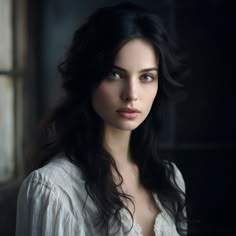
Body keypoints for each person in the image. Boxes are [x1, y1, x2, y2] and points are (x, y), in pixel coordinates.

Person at [16, 2, 187, 236]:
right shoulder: (52, 189)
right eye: (115, 74)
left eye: (146, 77)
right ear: (89, 77)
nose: (131, 94)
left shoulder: (170, 178)